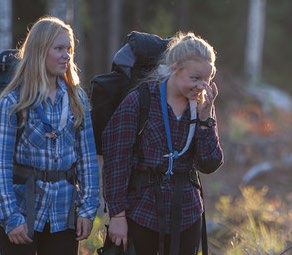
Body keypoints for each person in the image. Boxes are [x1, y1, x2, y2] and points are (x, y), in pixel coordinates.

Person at [102, 31, 224, 254]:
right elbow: (116, 161)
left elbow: (209, 163)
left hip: (187, 213)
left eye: (207, 80)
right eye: (195, 78)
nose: (201, 87)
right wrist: (117, 215)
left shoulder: (202, 106)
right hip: (142, 210)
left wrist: (206, 120)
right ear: (175, 68)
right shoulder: (141, 100)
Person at [0, 16, 100, 255]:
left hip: (62, 214)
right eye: (59, 49)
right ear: (38, 51)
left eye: (69, 49)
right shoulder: (13, 101)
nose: (66, 55)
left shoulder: (77, 99)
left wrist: (87, 209)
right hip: (22, 212)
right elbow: (1, 165)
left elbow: (87, 160)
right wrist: (11, 217)